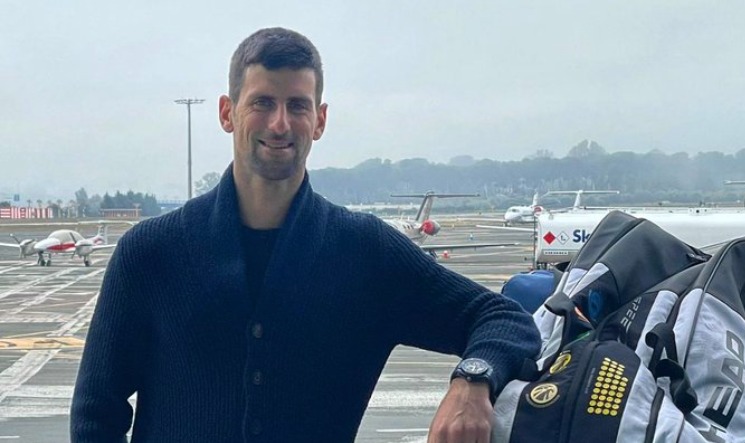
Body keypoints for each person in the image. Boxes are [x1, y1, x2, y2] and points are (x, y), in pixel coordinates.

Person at [70, 27, 540, 442]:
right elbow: (96, 414)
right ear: (227, 112)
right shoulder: (151, 253)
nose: (280, 123)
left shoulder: (364, 253)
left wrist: (472, 381)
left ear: (320, 119)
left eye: (297, 105)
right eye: (262, 103)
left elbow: (505, 319)